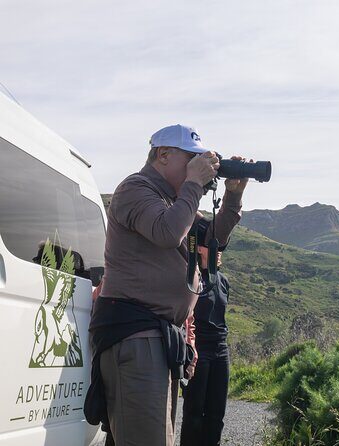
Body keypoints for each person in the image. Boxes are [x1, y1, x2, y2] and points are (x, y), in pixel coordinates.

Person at [84, 124, 249, 446]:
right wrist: (192, 185)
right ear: (163, 155)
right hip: (136, 331)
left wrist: (233, 195)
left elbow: (215, 238)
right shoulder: (136, 188)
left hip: (157, 335)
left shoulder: (174, 201)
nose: (200, 167)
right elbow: (166, 232)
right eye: (192, 159)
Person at [180, 247, 230, 446]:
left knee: (216, 413)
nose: (219, 251)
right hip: (199, 349)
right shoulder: (192, 278)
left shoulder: (224, 281)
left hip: (221, 348)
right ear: (200, 248)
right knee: (194, 414)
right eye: (214, 246)